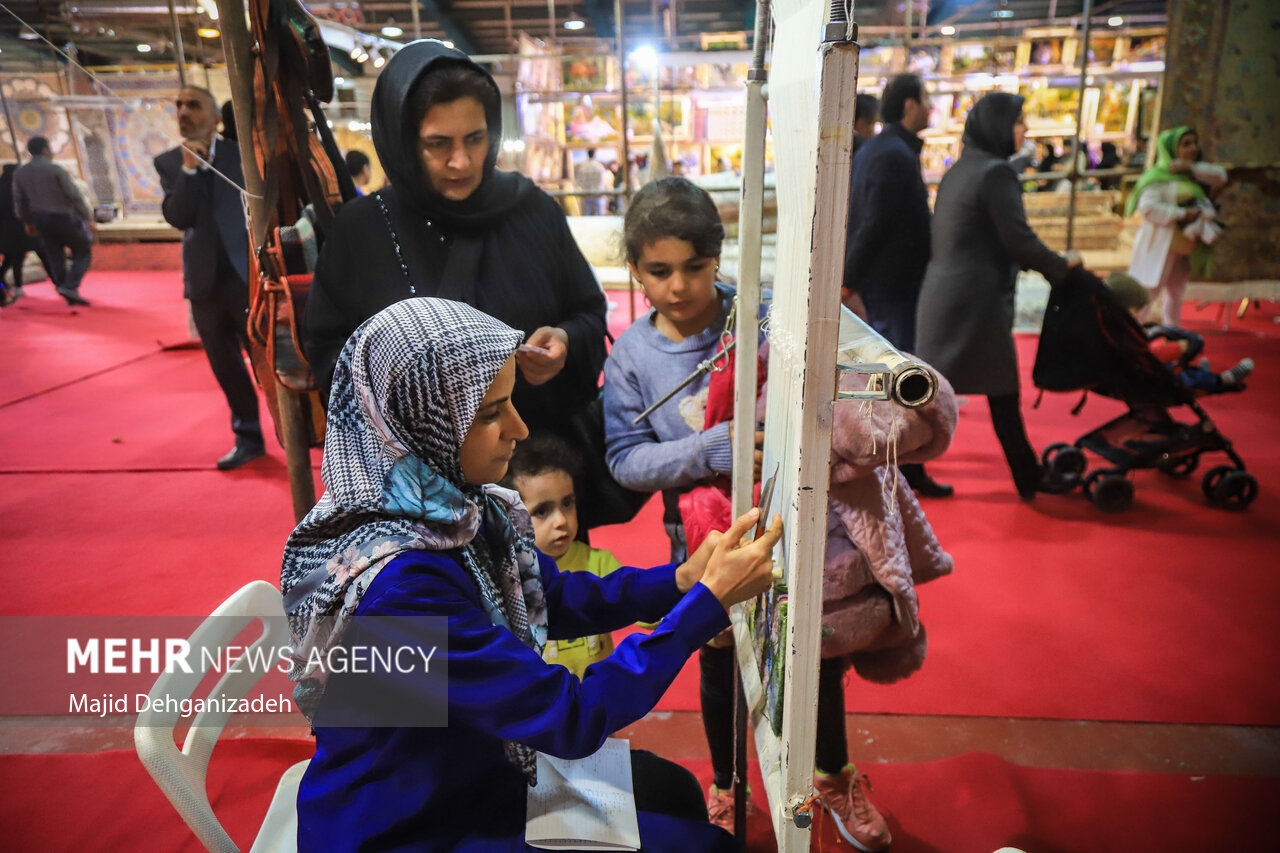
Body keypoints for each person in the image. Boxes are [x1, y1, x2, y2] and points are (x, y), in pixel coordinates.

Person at [281, 296, 780, 851]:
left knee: (674, 792)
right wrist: (705, 604)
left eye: (510, 402)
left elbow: (550, 595)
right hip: (414, 827)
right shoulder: (401, 588)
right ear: (420, 425)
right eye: (490, 414)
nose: (518, 428)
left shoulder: (447, 512)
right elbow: (571, 718)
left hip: (465, 771)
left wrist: (681, 581)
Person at [603, 178, 892, 848]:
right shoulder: (633, 356)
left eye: (696, 267)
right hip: (699, 538)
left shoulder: (764, 319)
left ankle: (831, 771)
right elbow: (624, 459)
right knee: (719, 655)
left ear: (719, 256)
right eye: (659, 271)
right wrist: (711, 448)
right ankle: (727, 783)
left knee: (814, 648)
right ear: (635, 269)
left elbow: (836, 385)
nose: (679, 286)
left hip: (795, 525)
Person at [302, 41, 607, 443]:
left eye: (475, 138)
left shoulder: (532, 210)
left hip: (541, 456)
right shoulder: (362, 231)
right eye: (438, 143)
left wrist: (565, 342)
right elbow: (331, 354)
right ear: (404, 142)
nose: (461, 161)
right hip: (417, 467)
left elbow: (588, 313)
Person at [915, 93, 1082, 501]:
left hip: (947, 295)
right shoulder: (995, 173)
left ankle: (910, 469)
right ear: (999, 126)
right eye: (1019, 121)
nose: (1026, 129)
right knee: (994, 388)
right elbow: (1019, 240)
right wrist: (1063, 267)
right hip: (975, 302)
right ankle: (1028, 476)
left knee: (933, 391)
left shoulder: (962, 169)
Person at [843, 73, 952, 499]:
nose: (930, 107)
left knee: (890, 375)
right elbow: (874, 223)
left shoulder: (882, 149)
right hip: (889, 285)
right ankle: (903, 469)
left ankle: (900, 467)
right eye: (925, 99)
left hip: (884, 283)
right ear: (909, 104)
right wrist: (849, 278)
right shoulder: (892, 153)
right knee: (899, 378)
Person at [155, 85, 266, 471]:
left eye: (194, 105)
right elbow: (178, 217)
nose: (184, 112)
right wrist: (188, 170)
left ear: (216, 118)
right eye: (178, 105)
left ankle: (300, 432)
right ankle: (248, 437)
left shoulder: (242, 155)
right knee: (226, 366)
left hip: (246, 277)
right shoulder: (169, 162)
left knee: (266, 360)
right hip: (203, 284)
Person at [501, 433, 623, 678]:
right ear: (509, 517)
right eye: (542, 511)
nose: (560, 520)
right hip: (541, 698)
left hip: (597, 695)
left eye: (567, 503)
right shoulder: (505, 576)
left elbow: (650, 611)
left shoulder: (599, 563)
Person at [1125, 126, 1227, 328]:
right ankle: (1131, 335)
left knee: (1175, 294)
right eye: (1185, 144)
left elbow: (1221, 176)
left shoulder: (1193, 174)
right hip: (1161, 246)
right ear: (1171, 148)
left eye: (1194, 143)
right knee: (1148, 293)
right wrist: (1182, 213)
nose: (1193, 148)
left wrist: (1191, 167)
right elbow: (1148, 208)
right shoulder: (1157, 176)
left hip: (1184, 247)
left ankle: (1173, 334)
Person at [1104, 272, 1253, 393]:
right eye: (1135, 310)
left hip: (1129, 375)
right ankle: (1222, 379)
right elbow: (1147, 355)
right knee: (1178, 375)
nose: (1137, 315)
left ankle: (1204, 374)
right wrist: (1179, 347)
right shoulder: (1119, 332)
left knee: (1177, 370)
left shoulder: (1107, 326)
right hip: (1140, 379)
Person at [11, 137, 94, 306]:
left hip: (40, 219)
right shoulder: (54, 169)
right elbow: (73, 195)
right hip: (63, 216)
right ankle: (70, 286)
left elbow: (20, 201)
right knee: (83, 250)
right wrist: (87, 218)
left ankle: (64, 287)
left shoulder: (20, 173)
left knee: (55, 255)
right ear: (45, 150)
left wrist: (27, 222)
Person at [1, 162, 60, 307]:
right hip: (26, 226)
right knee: (42, 254)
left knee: (14, 258)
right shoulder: (20, 188)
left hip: (7, 231)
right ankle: (58, 283)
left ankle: (16, 287)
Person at [574, 148, 608, 215]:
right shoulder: (599, 166)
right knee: (600, 214)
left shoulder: (583, 167)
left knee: (588, 214)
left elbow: (579, 181)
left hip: (586, 193)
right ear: (595, 154)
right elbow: (603, 181)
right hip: (598, 193)